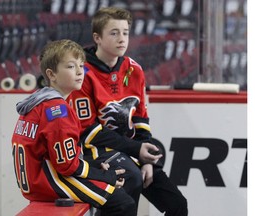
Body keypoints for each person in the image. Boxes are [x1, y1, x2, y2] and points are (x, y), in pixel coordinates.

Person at [67, 7, 188, 216]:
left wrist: (145, 159)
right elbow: (88, 132)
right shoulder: (82, 73)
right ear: (97, 37)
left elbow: (140, 119)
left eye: (125, 32)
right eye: (114, 33)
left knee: (177, 204)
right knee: (130, 182)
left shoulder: (134, 69)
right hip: (94, 151)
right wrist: (136, 150)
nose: (122, 39)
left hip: (131, 152)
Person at [11, 39, 137, 216]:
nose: (80, 72)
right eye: (71, 67)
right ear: (52, 74)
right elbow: (66, 166)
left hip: (35, 181)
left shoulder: (38, 102)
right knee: (123, 203)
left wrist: (93, 166)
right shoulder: (57, 110)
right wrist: (104, 176)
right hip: (49, 182)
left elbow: (58, 157)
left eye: (81, 65)